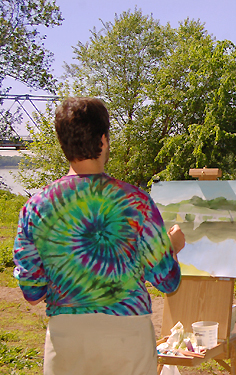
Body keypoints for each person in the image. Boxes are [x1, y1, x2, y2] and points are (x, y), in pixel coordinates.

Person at [13, 97, 184, 375]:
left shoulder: (35, 208)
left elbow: (32, 292)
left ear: (62, 143)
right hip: (128, 337)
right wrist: (171, 247)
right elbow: (167, 281)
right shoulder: (136, 202)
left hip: (66, 340)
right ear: (103, 141)